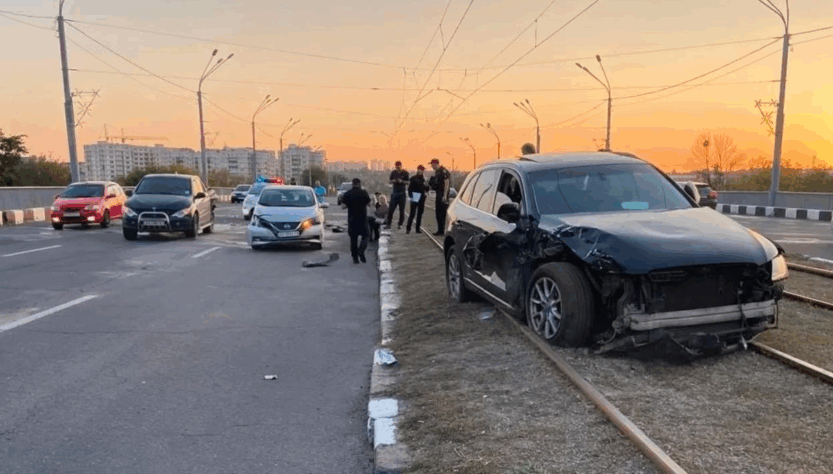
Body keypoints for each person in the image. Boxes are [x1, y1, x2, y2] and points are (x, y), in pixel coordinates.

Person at [340, 178, 372, 264]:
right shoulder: (364, 192)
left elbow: (343, 207)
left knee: (353, 239)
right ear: (359, 184)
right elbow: (369, 204)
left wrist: (350, 204)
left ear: (352, 184)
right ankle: (361, 250)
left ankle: (355, 258)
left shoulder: (347, 193)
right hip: (362, 219)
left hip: (352, 220)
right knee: (366, 235)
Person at [429, 158, 451, 236]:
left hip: (443, 195)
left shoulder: (443, 171)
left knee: (442, 213)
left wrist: (445, 195)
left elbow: (447, 183)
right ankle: (440, 230)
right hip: (438, 194)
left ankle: (442, 231)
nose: (431, 166)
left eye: (432, 165)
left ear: (435, 164)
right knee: (438, 213)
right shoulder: (437, 172)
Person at [385, 161, 409, 230]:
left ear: (401, 166)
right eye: (396, 167)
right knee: (391, 210)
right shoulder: (393, 172)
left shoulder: (405, 173)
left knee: (402, 210)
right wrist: (393, 181)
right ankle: (388, 224)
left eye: (398, 167)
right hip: (394, 193)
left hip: (402, 194)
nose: (397, 168)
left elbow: (408, 182)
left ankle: (400, 224)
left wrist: (402, 181)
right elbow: (389, 181)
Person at [406, 165, 429, 234]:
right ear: (418, 170)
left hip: (422, 196)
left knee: (420, 214)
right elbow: (410, 188)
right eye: (420, 170)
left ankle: (417, 229)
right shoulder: (413, 178)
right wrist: (411, 196)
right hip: (415, 195)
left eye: (422, 170)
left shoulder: (424, 179)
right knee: (412, 213)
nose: (421, 171)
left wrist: (427, 185)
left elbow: (426, 189)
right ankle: (408, 228)